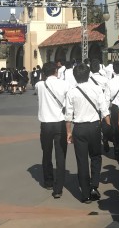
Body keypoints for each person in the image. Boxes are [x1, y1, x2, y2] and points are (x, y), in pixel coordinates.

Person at [65, 63, 110, 204]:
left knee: (82, 160)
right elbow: (104, 110)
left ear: (75, 76)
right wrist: (108, 126)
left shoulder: (71, 92)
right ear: (88, 74)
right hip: (94, 126)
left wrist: (68, 132)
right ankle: (94, 186)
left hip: (79, 128)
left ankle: (85, 194)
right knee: (96, 156)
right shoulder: (97, 89)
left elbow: (68, 115)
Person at [35, 62, 71, 198]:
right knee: (60, 155)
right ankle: (58, 188)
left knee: (46, 153)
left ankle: (48, 181)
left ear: (44, 73)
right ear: (56, 70)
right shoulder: (64, 84)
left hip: (45, 124)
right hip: (60, 123)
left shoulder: (40, 85)